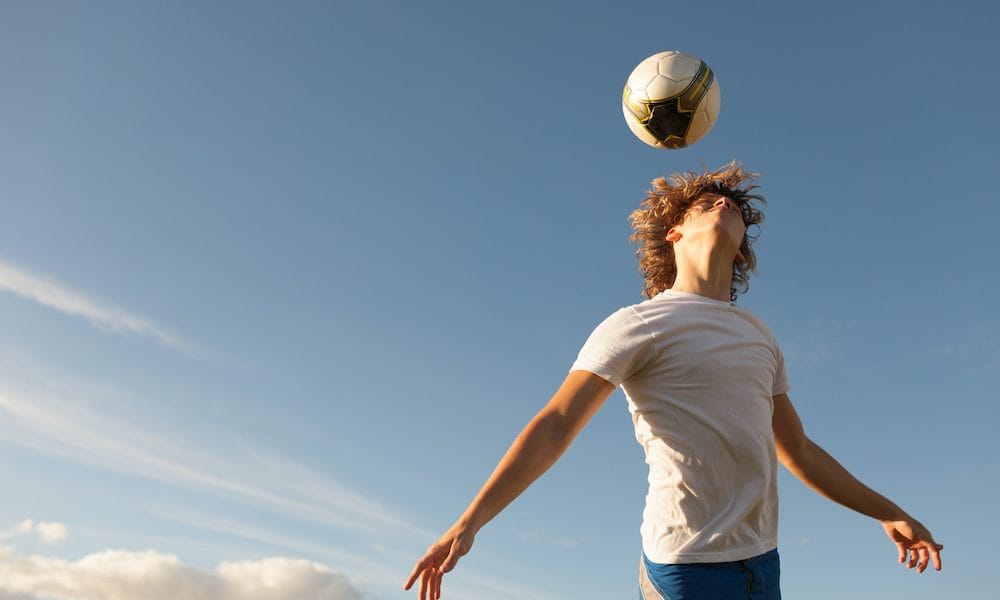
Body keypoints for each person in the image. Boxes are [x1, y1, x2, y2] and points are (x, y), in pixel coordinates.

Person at [403, 162, 943, 599]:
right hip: (684, 565)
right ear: (674, 232)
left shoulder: (759, 334)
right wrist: (470, 522)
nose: (723, 204)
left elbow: (797, 450)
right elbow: (557, 422)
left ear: (743, 247)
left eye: (733, 206)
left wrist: (887, 511)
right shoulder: (639, 323)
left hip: (763, 561)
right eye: (705, 203)